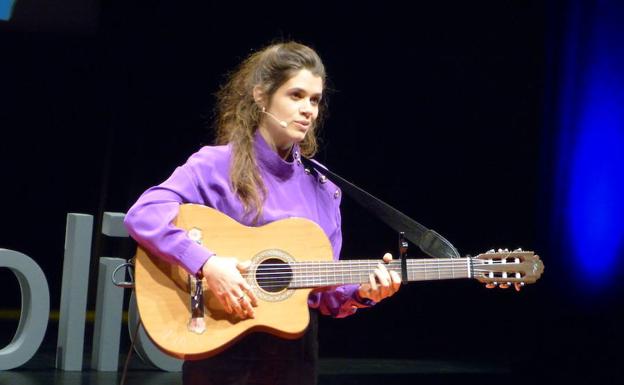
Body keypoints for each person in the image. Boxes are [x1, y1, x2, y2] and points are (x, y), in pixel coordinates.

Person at [123, 41, 401, 385]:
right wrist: (207, 264)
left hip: (293, 359)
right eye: (296, 95)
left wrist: (363, 292)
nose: (308, 110)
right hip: (219, 346)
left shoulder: (323, 188)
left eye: (314, 100)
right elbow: (142, 215)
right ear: (261, 96)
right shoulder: (215, 164)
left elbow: (325, 293)